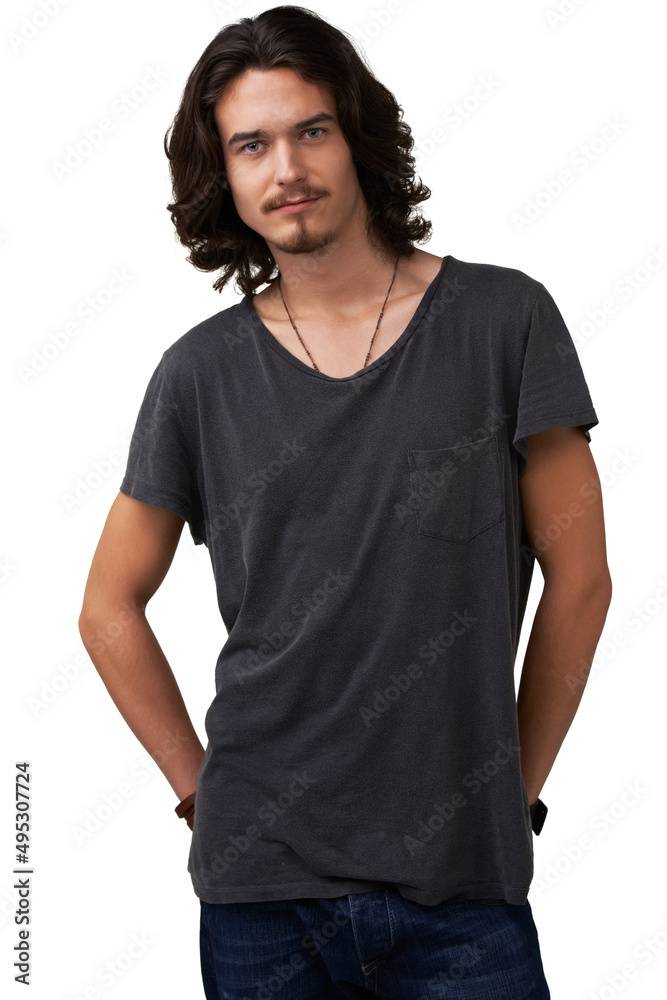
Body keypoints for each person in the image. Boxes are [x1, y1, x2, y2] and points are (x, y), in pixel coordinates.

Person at [78, 6, 612, 998]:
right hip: (260, 902)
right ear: (224, 178)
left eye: (310, 130)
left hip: (461, 896)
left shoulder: (504, 322)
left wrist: (513, 792)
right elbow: (106, 606)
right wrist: (203, 794)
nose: (286, 167)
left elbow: (580, 581)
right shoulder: (196, 377)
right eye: (251, 144)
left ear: (356, 137)